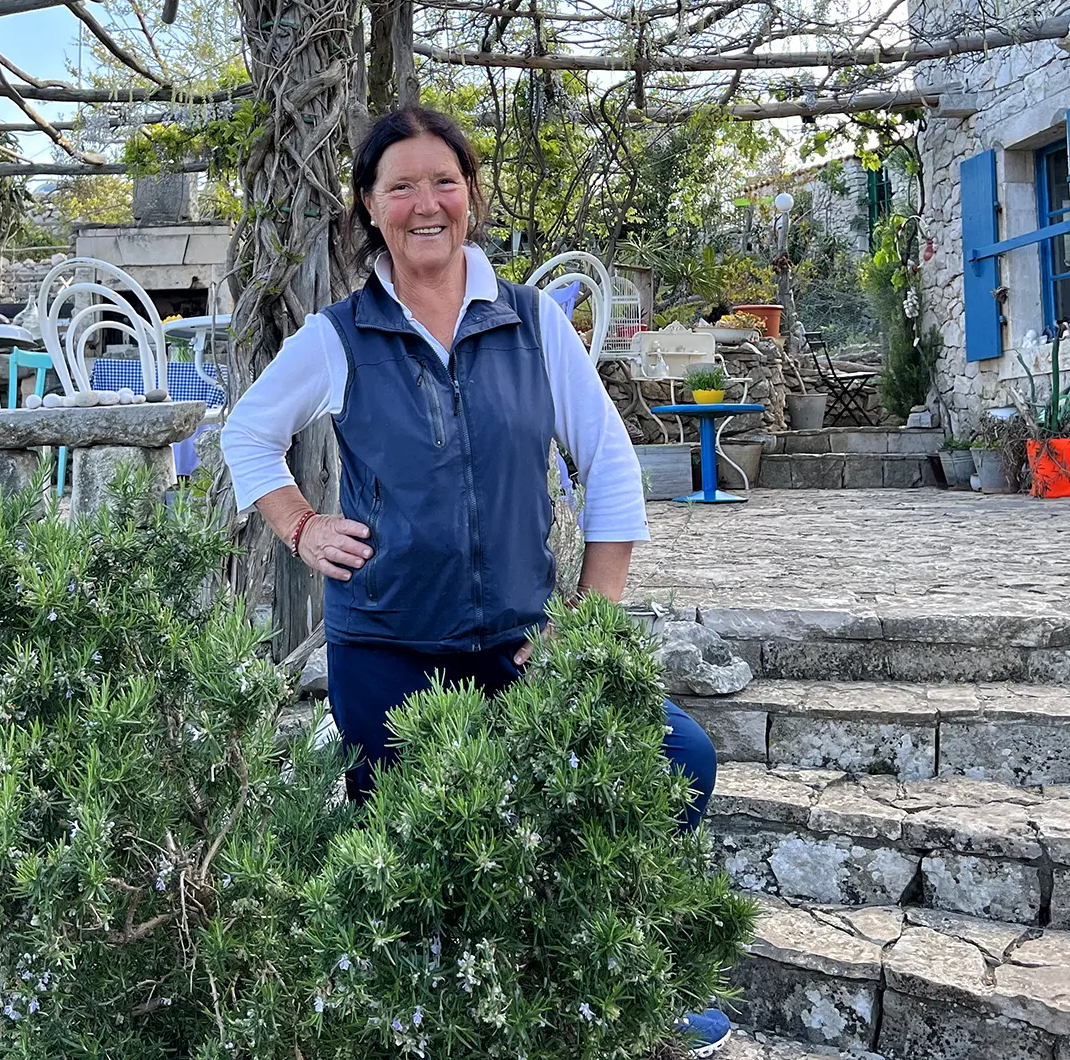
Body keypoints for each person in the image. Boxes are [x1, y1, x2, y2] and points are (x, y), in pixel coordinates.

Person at [220, 105, 731, 1056]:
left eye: (443, 182)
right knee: (431, 845)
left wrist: (590, 617)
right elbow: (247, 431)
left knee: (678, 760)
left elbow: (610, 466)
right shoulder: (341, 335)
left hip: (524, 643)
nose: (426, 204)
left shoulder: (533, 322)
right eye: (400, 186)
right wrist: (300, 523)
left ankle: (621, 981)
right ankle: (458, 1017)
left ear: (470, 197)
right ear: (369, 208)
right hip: (389, 651)